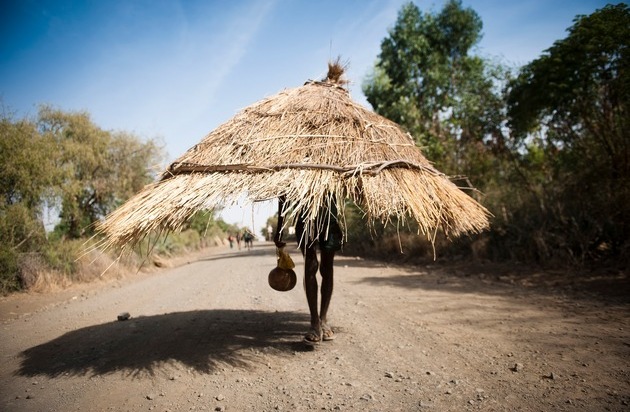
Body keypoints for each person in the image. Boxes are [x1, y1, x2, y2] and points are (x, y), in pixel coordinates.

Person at [274, 195, 343, 344]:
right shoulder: (294, 171)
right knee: (310, 266)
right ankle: (314, 323)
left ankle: (323, 320)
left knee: (327, 269)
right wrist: (280, 227)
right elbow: (283, 196)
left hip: (329, 221)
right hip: (304, 222)